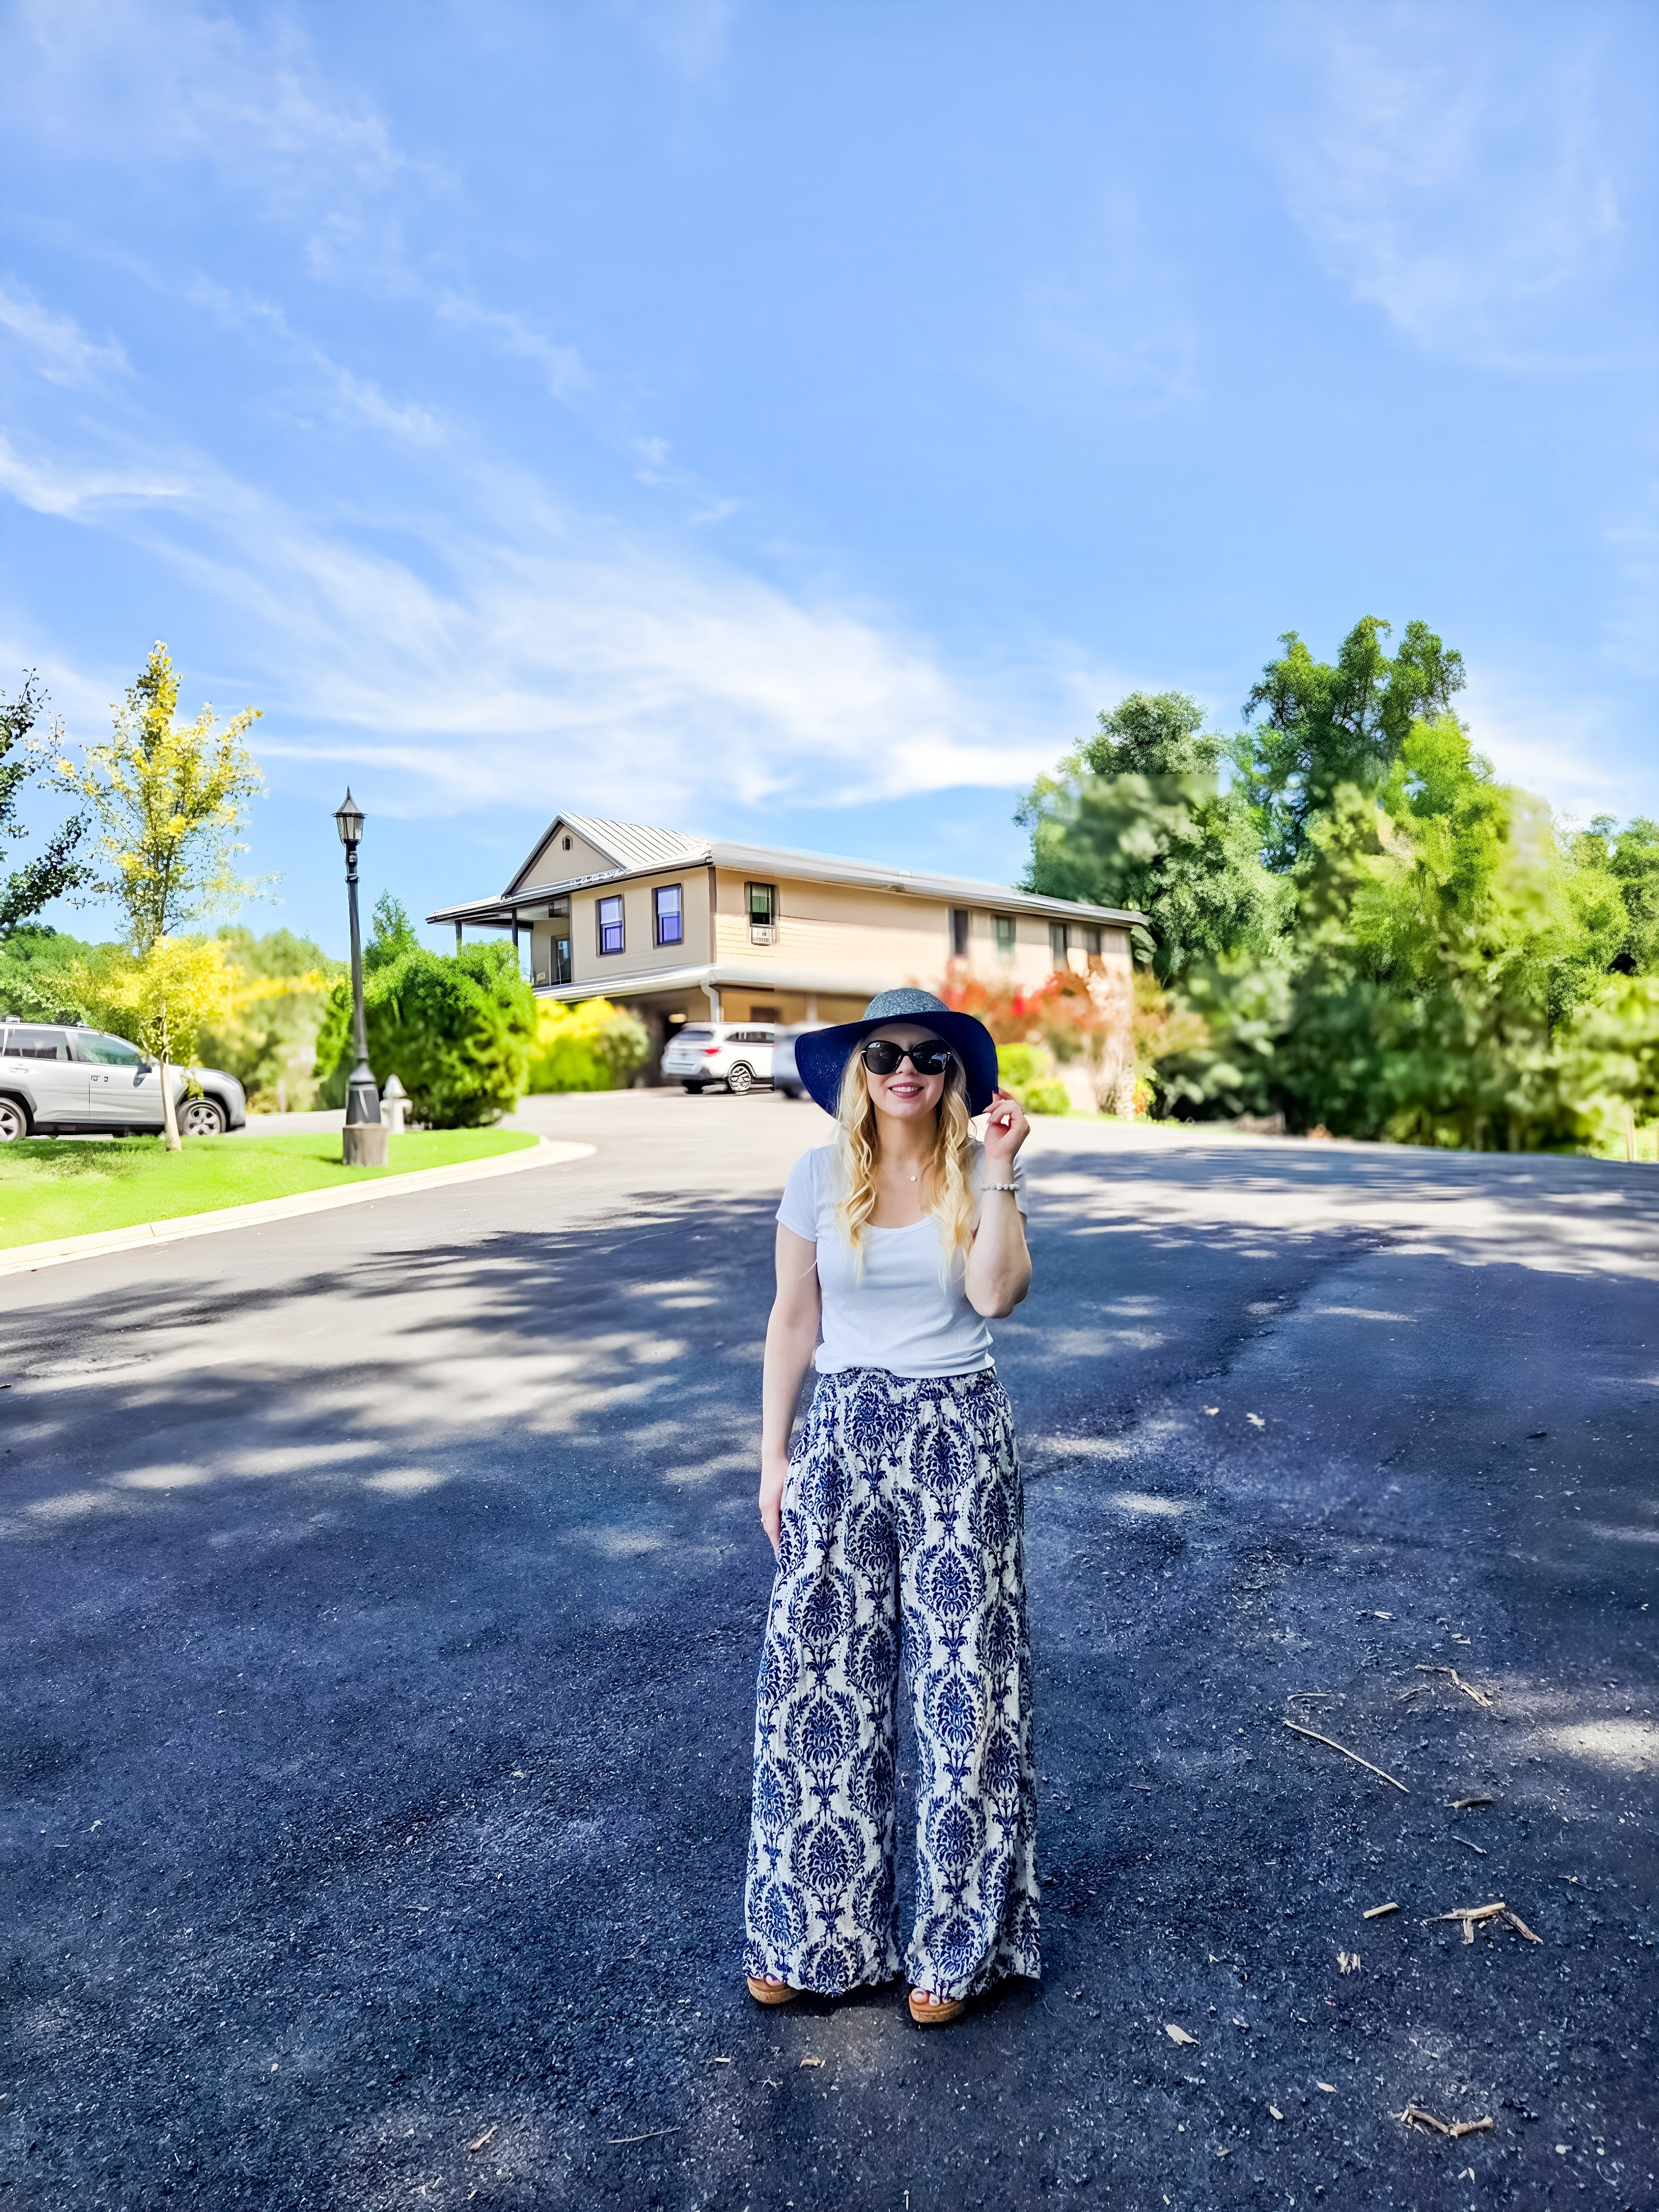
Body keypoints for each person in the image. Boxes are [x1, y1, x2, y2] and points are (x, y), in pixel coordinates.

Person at [741, 987, 1038, 2028]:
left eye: (927, 1056)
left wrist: (1000, 1172)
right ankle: (810, 1934)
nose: (905, 1071)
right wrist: (773, 1457)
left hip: (959, 1433)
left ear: (954, 1074)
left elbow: (999, 1296)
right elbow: (790, 1319)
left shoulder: (976, 1172)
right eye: (884, 1055)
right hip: (842, 1434)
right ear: (857, 1073)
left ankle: (958, 1949)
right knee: (815, 1681)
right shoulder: (817, 1175)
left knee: (967, 1693)